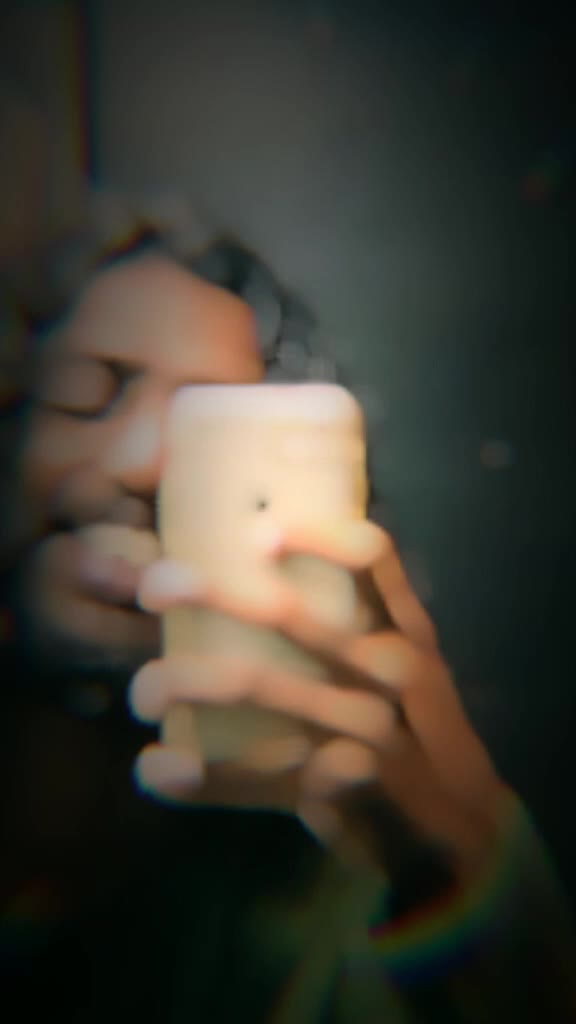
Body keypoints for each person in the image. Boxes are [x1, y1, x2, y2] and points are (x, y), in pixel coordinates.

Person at [2, 203, 576, 1023]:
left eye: (209, 428)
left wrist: (458, 865)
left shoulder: (324, 882)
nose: (143, 462)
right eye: (84, 393)